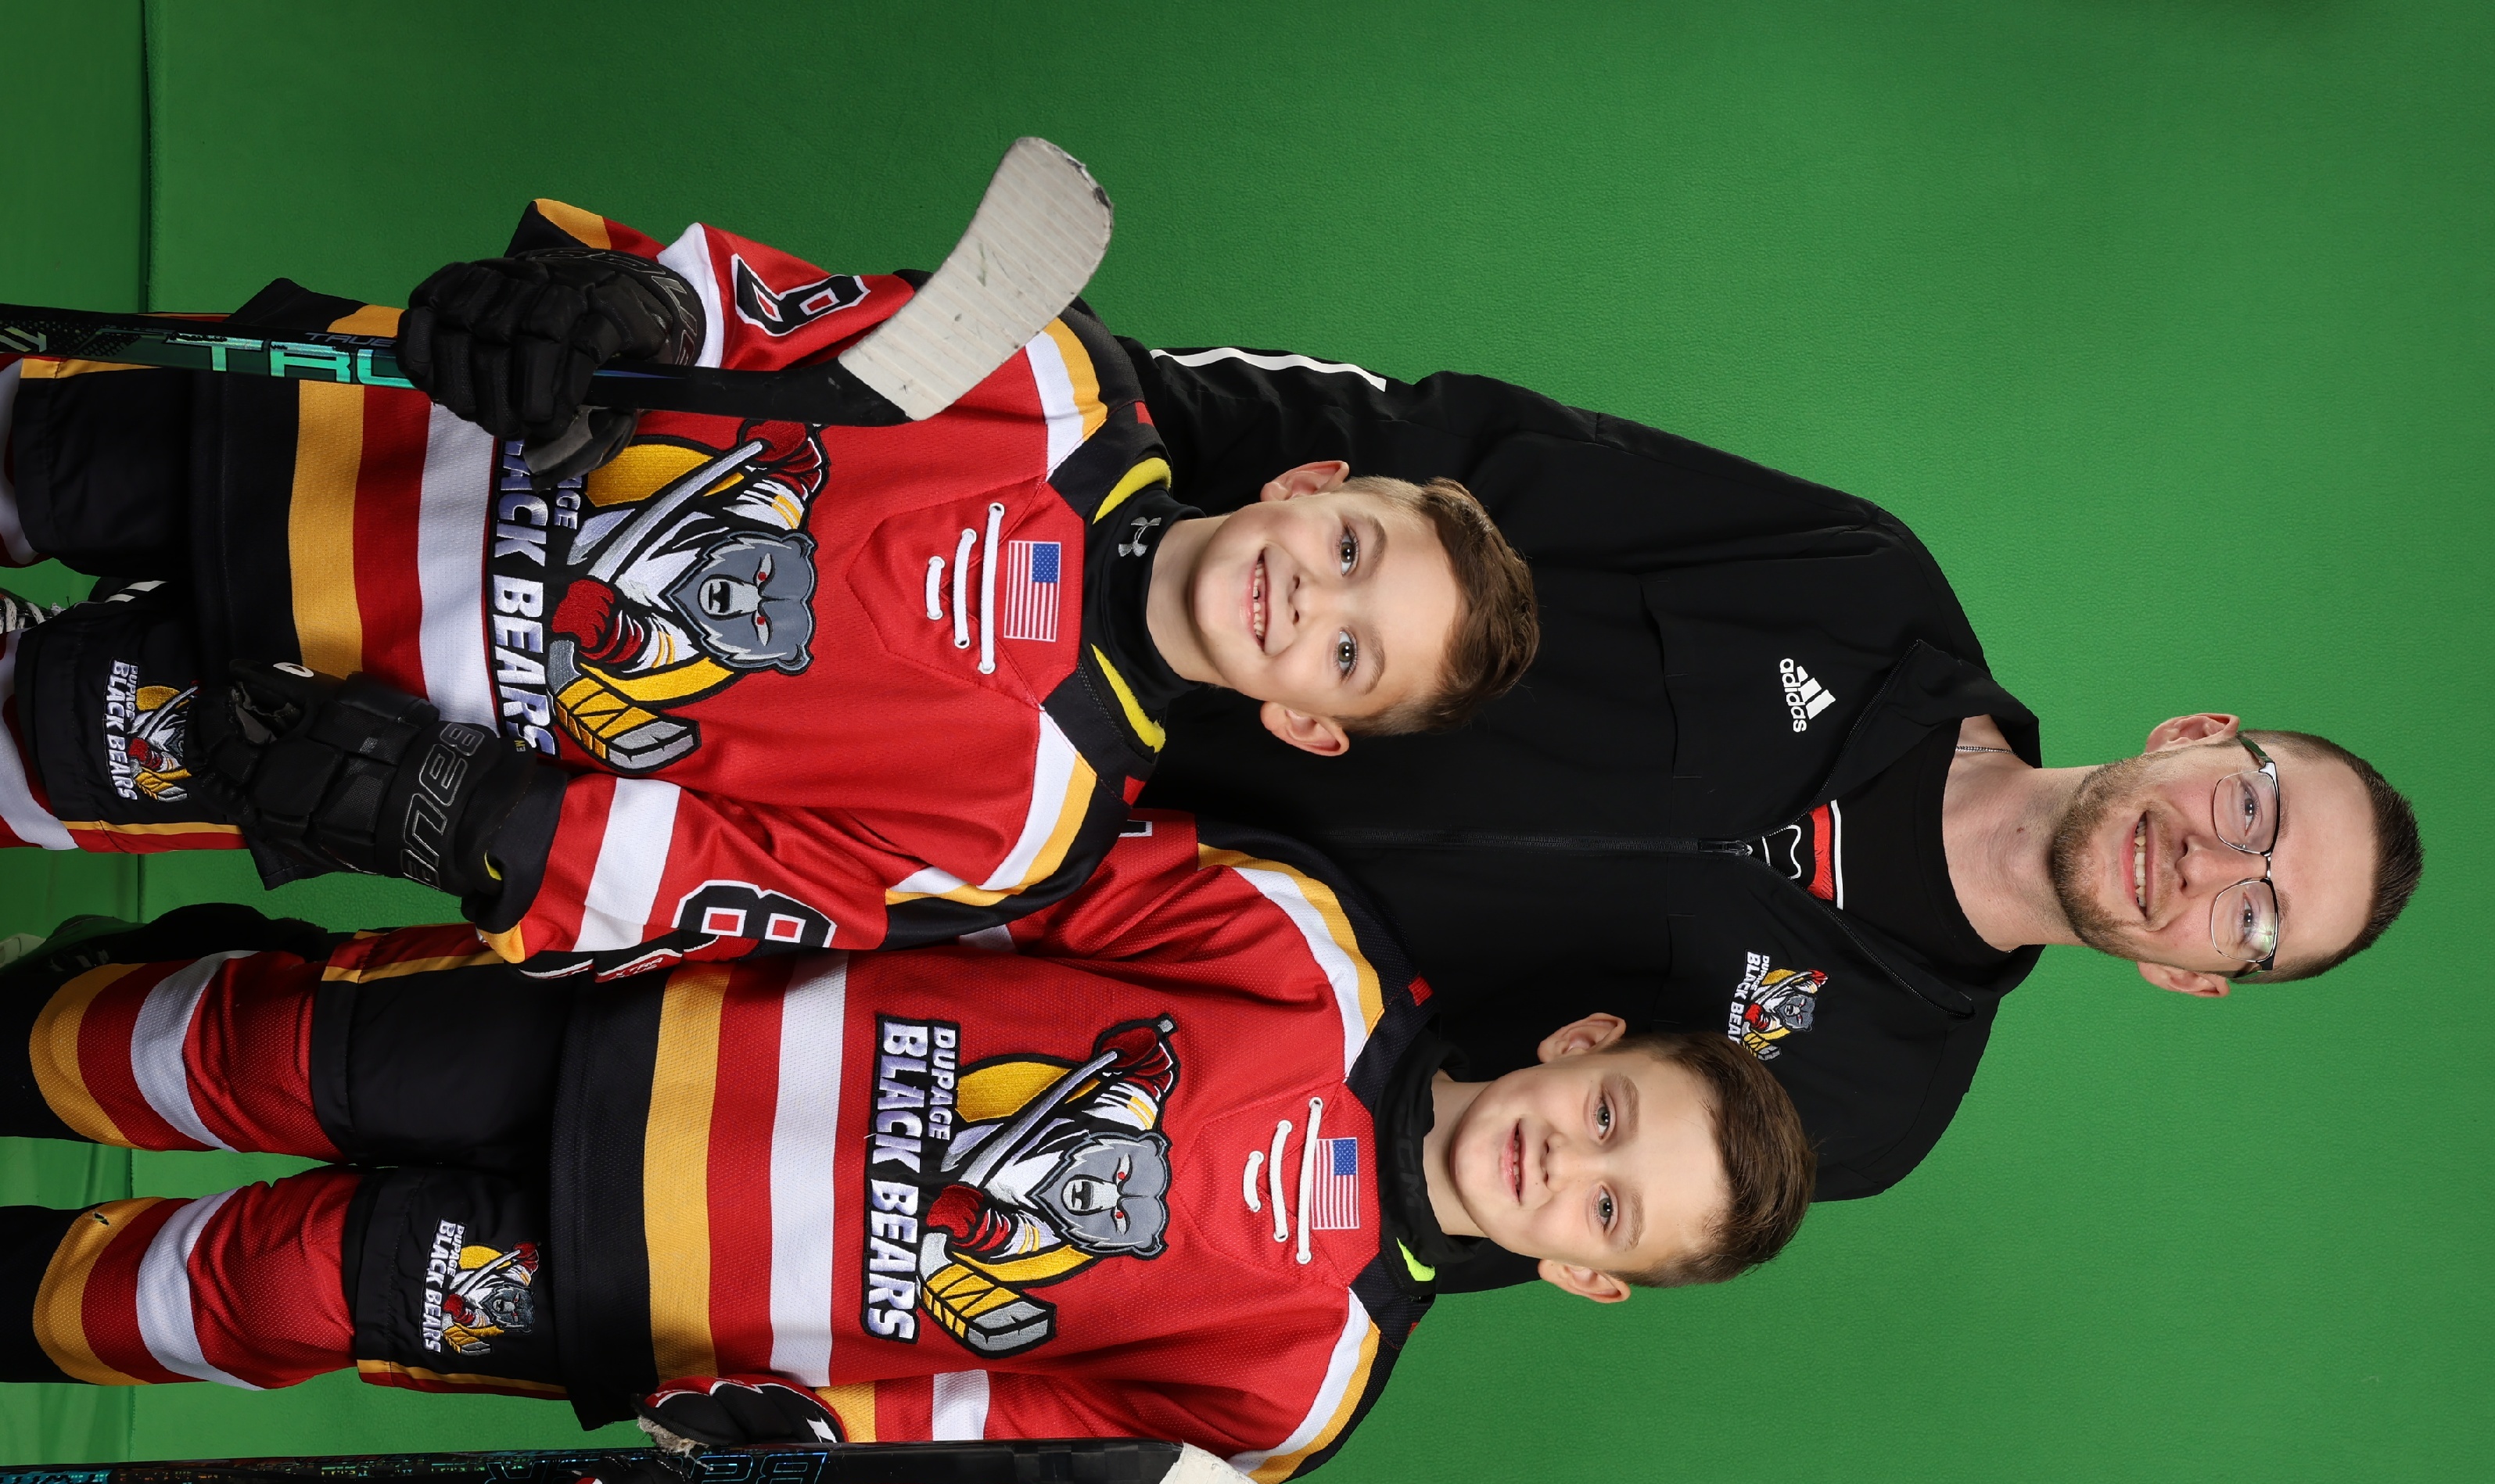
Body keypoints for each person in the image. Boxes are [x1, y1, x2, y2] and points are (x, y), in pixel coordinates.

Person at [0, 809, 1810, 1484]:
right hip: (624, 1029)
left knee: (266, 1286)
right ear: (1583, 1039)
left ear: (1587, 1280)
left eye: (1609, 1210)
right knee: (236, 1047)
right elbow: (955, 868)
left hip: (616, 1285)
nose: (1565, 1163)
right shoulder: (1305, 944)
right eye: (1610, 1114)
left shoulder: (1295, 1390)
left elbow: (978, 1454)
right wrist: (645, 869)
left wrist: (767, 1482)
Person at [1122, 343, 2426, 1258]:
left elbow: (1465, 1212)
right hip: (1080, 665)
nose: (2210, 864)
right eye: (2251, 810)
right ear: (2195, 736)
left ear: (2192, 979)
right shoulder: (1856, 584)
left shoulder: (1865, 1110)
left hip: (1092, 957)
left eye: (2254, 920)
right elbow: (1438, 448)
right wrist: (1083, 410)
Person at [0, 204, 1538, 979]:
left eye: (1350, 655)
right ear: (1309, 485)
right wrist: (617, 308)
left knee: (27, 741)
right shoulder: (1051, 378)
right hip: (335, 445)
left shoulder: (1033, 829)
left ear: (1306, 723)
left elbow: (722, 873)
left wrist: (473, 819)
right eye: (1353, 551)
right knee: (25, 452)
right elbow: (752, 317)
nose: (1309, 602)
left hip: (338, 712)